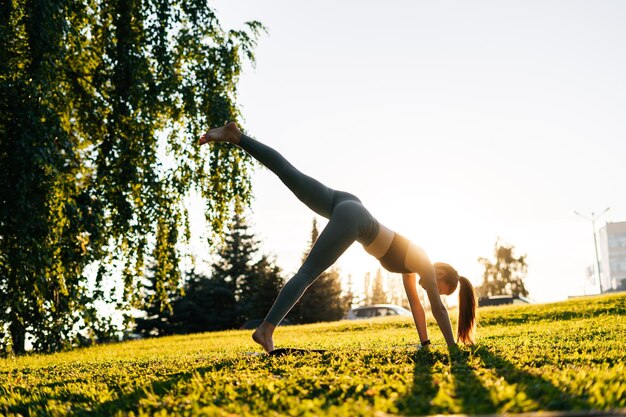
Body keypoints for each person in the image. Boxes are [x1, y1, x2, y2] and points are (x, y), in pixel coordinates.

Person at [199, 122, 477, 352]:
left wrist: (425, 343)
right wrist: (452, 347)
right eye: (441, 289)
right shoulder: (424, 261)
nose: (435, 292)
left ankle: (237, 137)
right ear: (442, 273)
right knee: (308, 273)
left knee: (289, 173)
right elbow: (438, 310)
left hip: (348, 204)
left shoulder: (411, 264)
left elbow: (417, 306)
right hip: (356, 220)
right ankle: (266, 329)